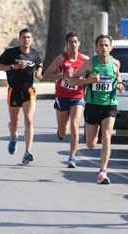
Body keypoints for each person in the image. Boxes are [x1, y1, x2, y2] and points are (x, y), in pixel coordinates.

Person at [69, 34, 125, 184]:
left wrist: (120, 85)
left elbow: (118, 78)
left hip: (109, 105)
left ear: (111, 48)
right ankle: (95, 130)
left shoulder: (115, 64)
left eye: (106, 45)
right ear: (96, 48)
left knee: (107, 138)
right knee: (90, 144)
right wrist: (88, 80)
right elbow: (72, 80)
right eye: (101, 45)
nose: (104, 48)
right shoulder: (89, 64)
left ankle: (103, 172)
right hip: (93, 106)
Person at [0, 28, 43, 164]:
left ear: (31, 40)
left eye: (28, 37)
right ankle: (13, 138)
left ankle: (28, 151)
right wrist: (12, 67)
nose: (26, 40)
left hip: (28, 91)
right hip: (14, 91)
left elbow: (39, 64)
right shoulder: (11, 53)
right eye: (23, 37)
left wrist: (38, 72)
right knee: (14, 123)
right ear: (19, 39)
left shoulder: (34, 54)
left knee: (29, 121)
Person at [42, 32, 90, 168]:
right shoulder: (61, 59)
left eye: (75, 42)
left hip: (77, 96)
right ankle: (60, 132)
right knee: (64, 131)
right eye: (70, 42)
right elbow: (46, 75)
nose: (73, 44)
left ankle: (72, 157)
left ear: (79, 43)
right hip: (62, 96)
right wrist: (63, 75)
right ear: (66, 44)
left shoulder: (85, 60)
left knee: (75, 125)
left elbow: (95, 70)